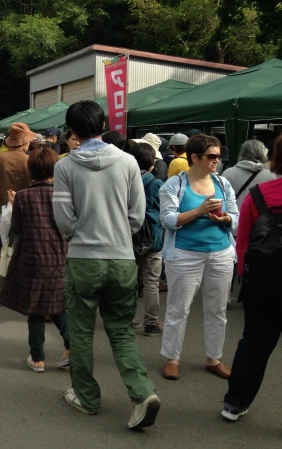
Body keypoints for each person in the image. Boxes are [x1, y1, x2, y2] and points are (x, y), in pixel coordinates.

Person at [53, 100, 159, 429]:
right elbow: (137, 215)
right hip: (122, 258)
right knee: (121, 331)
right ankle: (142, 393)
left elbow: (64, 221)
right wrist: (117, 235)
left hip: (84, 259)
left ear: (72, 131)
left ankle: (87, 397)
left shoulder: (65, 167)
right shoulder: (128, 162)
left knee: (82, 333)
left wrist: (83, 233)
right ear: (103, 125)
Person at [158, 133, 239, 381]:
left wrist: (225, 218)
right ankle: (172, 358)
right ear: (195, 157)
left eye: (218, 155)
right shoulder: (174, 185)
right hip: (185, 253)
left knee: (217, 310)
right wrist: (199, 211)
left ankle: (213, 357)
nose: (217, 160)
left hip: (220, 251)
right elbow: (167, 219)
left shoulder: (223, 184)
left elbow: (236, 217)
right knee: (178, 308)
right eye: (212, 156)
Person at [222, 136, 282, 421]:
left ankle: (234, 404)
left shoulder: (260, 194)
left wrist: (247, 278)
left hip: (264, 284)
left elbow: (243, 242)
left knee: (254, 343)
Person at [0, 148, 70, 373]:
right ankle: (73, 345)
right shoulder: (65, 194)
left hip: (31, 257)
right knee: (57, 305)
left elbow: (17, 229)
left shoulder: (23, 196)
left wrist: (13, 202)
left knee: (36, 309)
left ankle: (37, 358)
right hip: (60, 255)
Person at [0, 123, 34, 303]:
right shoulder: (31, 160)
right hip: (25, 211)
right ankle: (17, 290)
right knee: (21, 251)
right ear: (24, 142)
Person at [130, 143, 165, 336]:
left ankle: (128, 318)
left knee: (130, 280)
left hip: (130, 238)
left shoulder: (126, 181)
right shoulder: (157, 184)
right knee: (151, 281)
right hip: (153, 239)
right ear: (152, 162)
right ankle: (151, 323)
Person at [222, 140, 276, 207]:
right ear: (262, 153)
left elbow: (222, 199)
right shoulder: (269, 175)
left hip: (234, 215)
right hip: (259, 216)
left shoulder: (228, 173)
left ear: (242, 153)